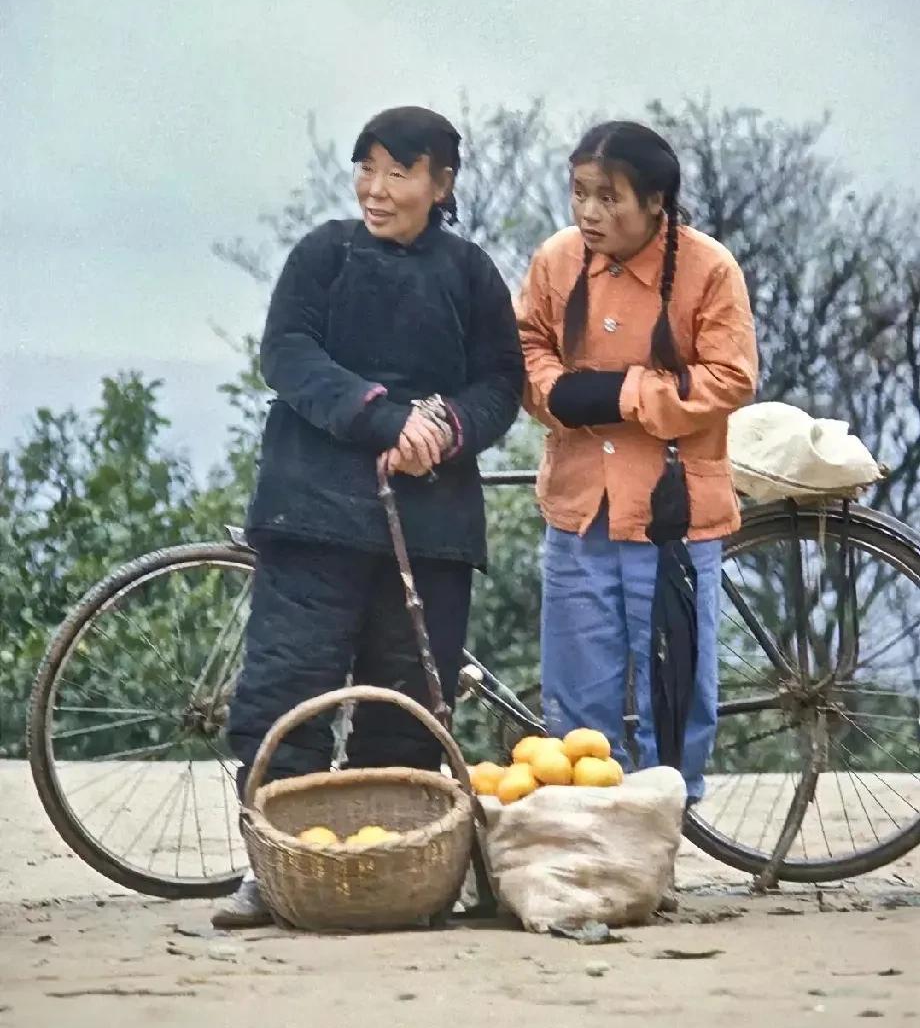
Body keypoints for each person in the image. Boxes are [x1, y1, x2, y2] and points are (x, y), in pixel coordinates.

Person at [214, 106, 524, 926]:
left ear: (441, 183)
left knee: (407, 703)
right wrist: (384, 418)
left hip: (430, 524)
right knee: (289, 692)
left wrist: (444, 431)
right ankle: (277, 867)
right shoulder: (324, 254)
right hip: (314, 510)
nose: (376, 189)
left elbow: (501, 383)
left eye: (398, 172)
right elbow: (288, 354)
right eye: (366, 168)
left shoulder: (470, 274)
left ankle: (392, 872)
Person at [515, 120, 757, 811]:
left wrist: (627, 394)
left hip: (672, 511)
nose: (589, 213)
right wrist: (557, 391)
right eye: (579, 194)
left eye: (609, 198)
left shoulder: (708, 268)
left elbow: (731, 376)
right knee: (575, 690)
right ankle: (591, 833)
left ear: (657, 203)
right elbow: (526, 345)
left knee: (676, 692)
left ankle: (664, 832)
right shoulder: (557, 261)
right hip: (580, 503)